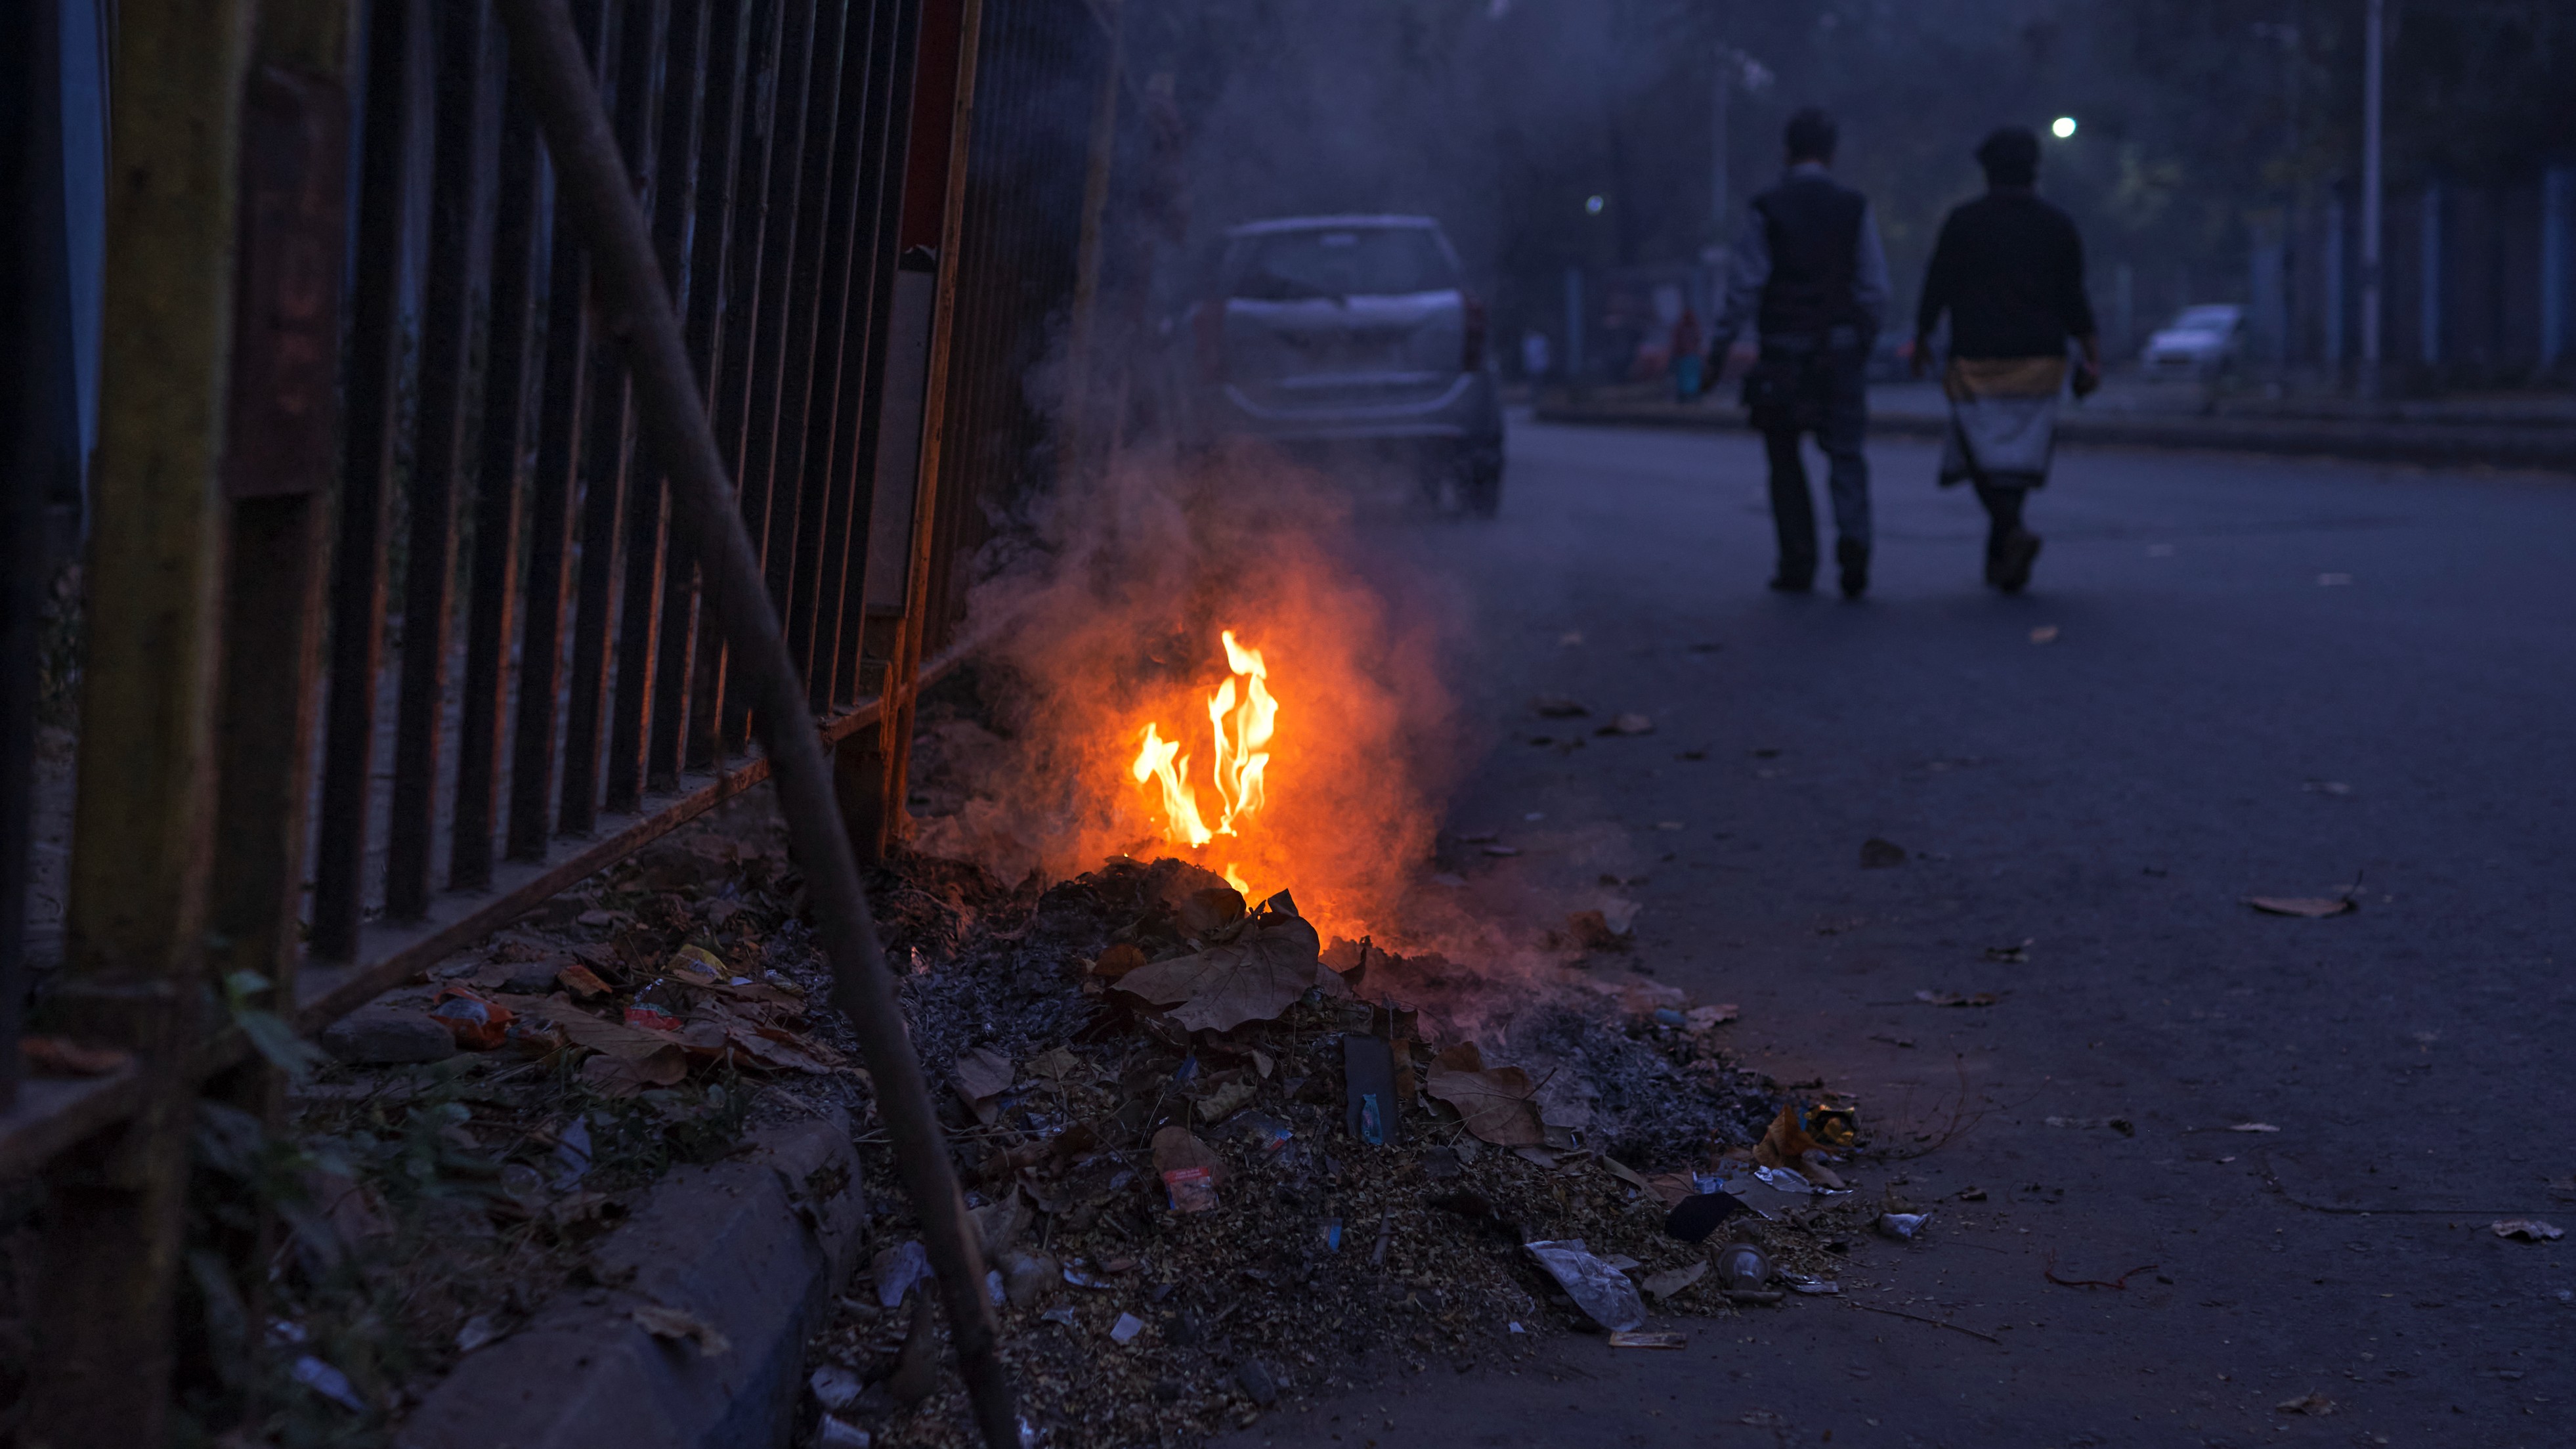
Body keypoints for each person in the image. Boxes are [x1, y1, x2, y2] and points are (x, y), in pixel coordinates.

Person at [1705, 107, 1890, 598]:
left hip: (1784, 352)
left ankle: (1798, 560)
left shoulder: (1768, 207)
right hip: (1840, 350)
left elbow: (1745, 288)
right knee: (1846, 453)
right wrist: (1862, 338)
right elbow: (1874, 288)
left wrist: (1718, 348)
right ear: (1831, 153)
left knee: (1784, 457)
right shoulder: (1854, 206)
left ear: (1786, 152)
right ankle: (1854, 542)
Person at [1910, 125, 2102, 593]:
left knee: (1980, 452)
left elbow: (1938, 285)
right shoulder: (2058, 224)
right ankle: (2005, 551)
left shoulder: (1964, 222)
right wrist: (2091, 353)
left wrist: (1922, 336)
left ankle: (2010, 531)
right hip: (2041, 360)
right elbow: (2073, 297)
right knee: (2019, 454)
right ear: (2034, 171)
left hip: (1976, 358)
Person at [1669, 305, 1704, 401]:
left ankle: (1691, 395)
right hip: (1685, 356)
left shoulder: (1692, 327)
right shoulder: (1684, 327)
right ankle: (1686, 395)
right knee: (1685, 378)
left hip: (1689, 356)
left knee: (1690, 378)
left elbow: (1697, 340)